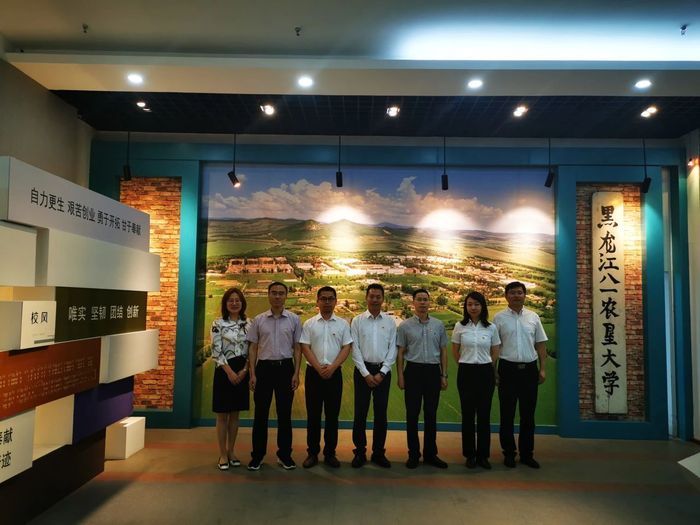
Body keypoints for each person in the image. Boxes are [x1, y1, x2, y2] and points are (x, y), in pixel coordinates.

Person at [246, 281, 302, 471]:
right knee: (260, 414)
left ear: (286, 296)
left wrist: (296, 373)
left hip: (285, 369)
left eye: (281, 293)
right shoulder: (259, 320)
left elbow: (297, 348)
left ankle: (284, 455)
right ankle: (257, 456)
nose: (277, 296)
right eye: (274, 293)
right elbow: (253, 348)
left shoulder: (294, 319)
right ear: (268, 295)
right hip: (263, 369)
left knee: (284, 414)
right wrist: (252, 373)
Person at [493, 281, 548, 469]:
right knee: (507, 414)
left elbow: (541, 344)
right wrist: (494, 371)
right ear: (506, 296)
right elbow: (495, 347)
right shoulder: (499, 318)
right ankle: (509, 453)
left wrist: (542, 368)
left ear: (525, 295)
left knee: (528, 415)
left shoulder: (533, 317)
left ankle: (527, 454)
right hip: (507, 370)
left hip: (529, 370)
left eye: (519, 292)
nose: (516, 296)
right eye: (512, 293)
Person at [299, 286, 353, 468]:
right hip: (313, 375)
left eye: (330, 299)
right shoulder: (309, 324)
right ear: (317, 301)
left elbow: (346, 347)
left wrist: (333, 367)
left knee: (332, 416)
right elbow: (305, 347)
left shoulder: (343, 324)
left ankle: (330, 453)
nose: (327, 302)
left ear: (336, 301)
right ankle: (312, 453)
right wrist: (318, 367)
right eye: (323, 298)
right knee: (313, 416)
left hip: (334, 374)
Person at [396, 289, 449, 469]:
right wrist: (401, 376)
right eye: (419, 299)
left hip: (433, 372)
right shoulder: (404, 326)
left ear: (429, 302)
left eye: (425, 299)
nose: (422, 302)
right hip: (413, 372)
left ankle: (430, 454)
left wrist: (444, 375)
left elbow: (443, 351)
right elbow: (400, 352)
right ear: (413, 302)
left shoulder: (438, 325)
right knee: (412, 415)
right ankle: (413, 454)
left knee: (431, 414)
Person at [452, 291, 500, 470]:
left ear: (482, 306)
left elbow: (495, 350)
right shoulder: (459, 326)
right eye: (470, 304)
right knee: (467, 415)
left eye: (477, 304)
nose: (473, 307)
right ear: (465, 306)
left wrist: (488, 365)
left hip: (485, 373)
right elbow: (455, 350)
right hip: (466, 373)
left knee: (484, 415)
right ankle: (470, 455)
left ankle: (483, 455)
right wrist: (464, 363)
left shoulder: (491, 327)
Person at [350, 283, 397, 468]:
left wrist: (383, 372)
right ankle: (359, 452)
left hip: (383, 373)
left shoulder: (390, 322)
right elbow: (355, 349)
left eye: (378, 297)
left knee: (381, 415)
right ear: (366, 298)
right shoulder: (357, 321)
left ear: (383, 299)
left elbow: (393, 348)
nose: (375, 300)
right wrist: (365, 374)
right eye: (372, 296)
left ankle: (378, 453)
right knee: (360, 414)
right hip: (362, 372)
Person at [211, 287, 250, 470]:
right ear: (225, 303)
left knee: (235, 415)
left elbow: (253, 349)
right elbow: (216, 351)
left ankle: (232, 451)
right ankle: (222, 454)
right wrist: (230, 372)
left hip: (242, 370)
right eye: (230, 300)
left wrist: (245, 370)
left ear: (242, 303)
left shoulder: (249, 324)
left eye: (237, 300)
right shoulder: (218, 323)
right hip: (224, 370)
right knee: (222, 416)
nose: (234, 303)